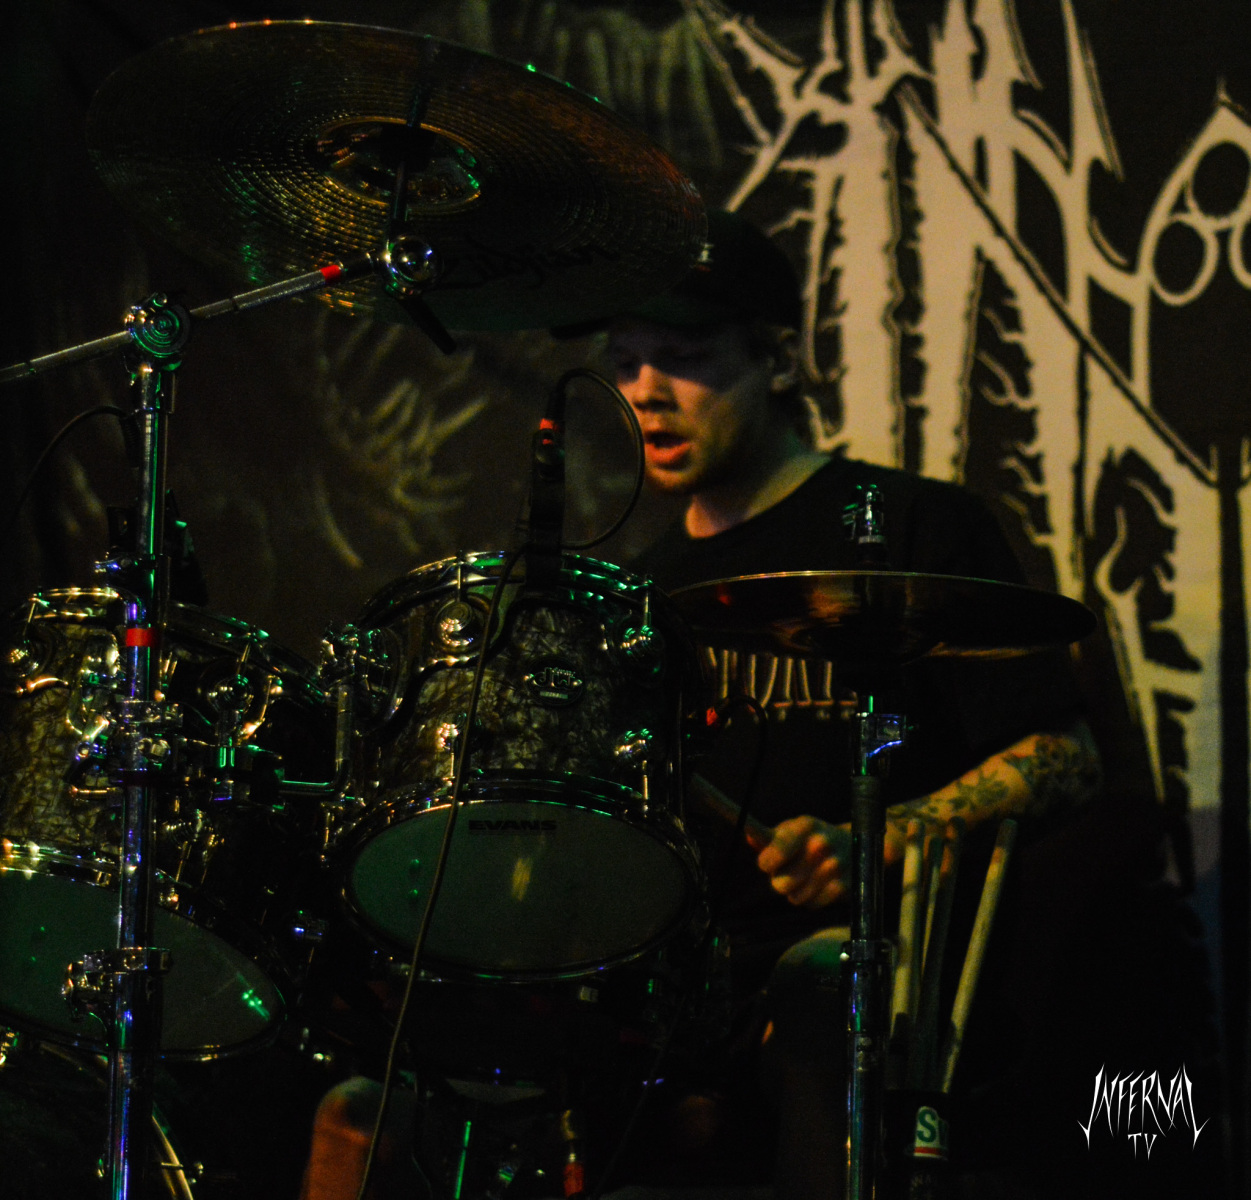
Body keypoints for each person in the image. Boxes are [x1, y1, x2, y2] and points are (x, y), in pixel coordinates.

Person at [590, 209, 1104, 1198]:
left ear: (779, 361)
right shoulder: (639, 592)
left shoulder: (913, 528)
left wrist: (881, 841)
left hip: (880, 992)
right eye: (624, 363)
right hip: (684, 1011)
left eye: (683, 359)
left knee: (822, 980)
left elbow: (1066, 759)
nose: (645, 390)